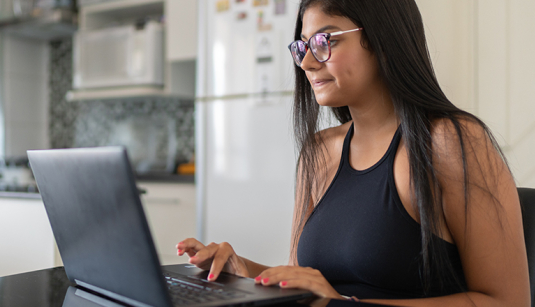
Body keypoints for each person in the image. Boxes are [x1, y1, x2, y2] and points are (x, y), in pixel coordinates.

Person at [177, 0, 531, 306]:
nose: (307, 63)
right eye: (302, 46)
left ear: (381, 38)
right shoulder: (318, 153)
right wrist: (241, 270)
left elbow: (506, 302)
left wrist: (344, 304)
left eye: (324, 41)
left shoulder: (452, 143)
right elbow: (302, 282)